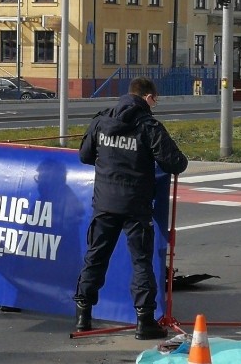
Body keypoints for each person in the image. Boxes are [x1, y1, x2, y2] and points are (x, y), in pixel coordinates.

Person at [74, 77, 188, 339]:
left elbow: (84, 155)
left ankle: (83, 316)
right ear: (147, 97)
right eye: (155, 100)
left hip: (104, 203)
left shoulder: (102, 120)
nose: (154, 105)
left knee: (95, 258)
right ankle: (144, 321)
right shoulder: (148, 126)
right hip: (136, 205)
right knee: (140, 262)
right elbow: (176, 163)